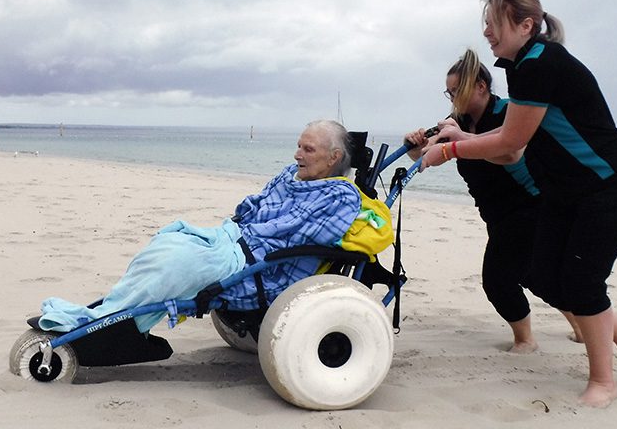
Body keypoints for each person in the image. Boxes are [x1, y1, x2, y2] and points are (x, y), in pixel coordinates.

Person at [421, 0, 617, 406]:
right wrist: (457, 138)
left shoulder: (540, 64)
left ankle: (604, 381)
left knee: (581, 281)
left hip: (610, 185)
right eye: (485, 23)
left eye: (494, 22)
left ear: (525, 26)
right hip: (566, 193)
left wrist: (451, 149)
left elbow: (510, 145)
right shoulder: (523, 66)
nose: (487, 31)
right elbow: (513, 138)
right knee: (542, 274)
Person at [38, 119, 393, 333]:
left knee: (175, 267)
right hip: (233, 239)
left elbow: (293, 236)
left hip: (255, 265)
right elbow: (254, 206)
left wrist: (245, 233)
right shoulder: (292, 174)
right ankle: (105, 313)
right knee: (170, 241)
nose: (297, 155)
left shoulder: (340, 197)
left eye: (308, 149)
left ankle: (103, 324)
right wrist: (237, 228)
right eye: (298, 146)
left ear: (333, 158)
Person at [404, 49, 581, 353]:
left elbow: (511, 153)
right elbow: (424, 158)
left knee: (498, 280)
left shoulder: (509, 114)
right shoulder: (456, 121)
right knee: (533, 273)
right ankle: (581, 324)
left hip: (531, 204)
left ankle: (525, 340)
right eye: (449, 92)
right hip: (495, 210)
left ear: (481, 86)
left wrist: (456, 140)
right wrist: (415, 144)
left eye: (457, 90)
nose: (452, 97)